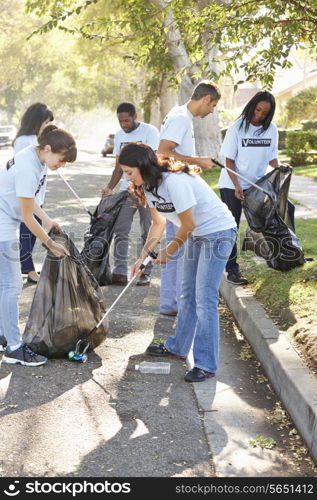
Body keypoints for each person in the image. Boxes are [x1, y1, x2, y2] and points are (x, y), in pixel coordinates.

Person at [119, 143, 236, 382]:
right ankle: (178, 347)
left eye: (129, 171)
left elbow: (188, 224)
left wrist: (169, 251)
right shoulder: (150, 187)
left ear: (142, 166)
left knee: (205, 298)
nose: (126, 177)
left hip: (218, 232)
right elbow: (158, 225)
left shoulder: (174, 182)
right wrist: (143, 259)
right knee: (187, 293)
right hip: (197, 235)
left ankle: (205, 364)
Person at [0, 124, 77, 366]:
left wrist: (48, 220)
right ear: (47, 148)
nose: (61, 165)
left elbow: (28, 199)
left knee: (5, 285)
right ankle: (13, 347)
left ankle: (4, 333)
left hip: (6, 220)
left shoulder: (37, 159)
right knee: (12, 285)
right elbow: (25, 215)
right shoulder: (27, 167)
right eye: (61, 159)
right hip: (3, 225)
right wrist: (49, 244)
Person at [157, 80, 221, 315]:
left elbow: (173, 154)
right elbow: (162, 152)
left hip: (178, 188)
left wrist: (191, 166)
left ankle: (173, 303)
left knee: (179, 248)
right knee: (178, 248)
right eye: (212, 105)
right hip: (176, 193)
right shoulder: (181, 117)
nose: (212, 110)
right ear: (206, 99)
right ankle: (173, 304)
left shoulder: (179, 114)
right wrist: (197, 161)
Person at [219, 90, 293, 285]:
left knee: (280, 213)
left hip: (256, 185)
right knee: (231, 227)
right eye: (258, 110)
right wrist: (237, 186)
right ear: (252, 106)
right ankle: (232, 270)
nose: (259, 115)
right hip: (231, 183)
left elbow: (272, 159)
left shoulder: (271, 130)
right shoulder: (237, 128)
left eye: (265, 113)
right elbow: (228, 160)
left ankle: (283, 255)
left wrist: (281, 167)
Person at [101, 102, 159, 286]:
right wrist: (110, 187)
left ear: (135, 116)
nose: (123, 124)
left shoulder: (150, 132)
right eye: (120, 121)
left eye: (126, 120)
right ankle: (119, 272)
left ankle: (144, 272)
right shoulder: (119, 136)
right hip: (127, 191)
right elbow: (119, 167)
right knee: (121, 230)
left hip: (146, 189)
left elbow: (153, 162)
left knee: (147, 231)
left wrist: (147, 186)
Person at [13, 102, 54, 284]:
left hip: (38, 195)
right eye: (45, 122)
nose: (46, 126)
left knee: (32, 232)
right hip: (27, 195)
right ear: (36, 121)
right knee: (26, 232)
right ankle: (28, 270)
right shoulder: (25, 140)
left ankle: (26, 267)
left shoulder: (39, 140)